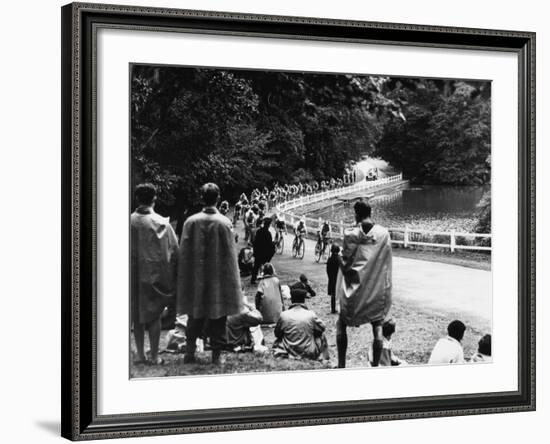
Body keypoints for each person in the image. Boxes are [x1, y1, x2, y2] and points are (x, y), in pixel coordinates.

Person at [176, 183, 242, 364]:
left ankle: (190, 352)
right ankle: (216, 356)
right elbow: (230, 256)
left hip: (196, 277)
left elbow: (185, 253)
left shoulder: (191, 222)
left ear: (201, 198)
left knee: (194, 315)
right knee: (218, 317)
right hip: (218, 279)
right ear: (218, 198)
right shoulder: (225, 223)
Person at [336, 200, 393, 368]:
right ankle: (375, 366)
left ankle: (341, 365)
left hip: (354, 293)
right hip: (376, 292)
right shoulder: (383, 234)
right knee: (377, 328)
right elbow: (385, 263)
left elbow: (346, 267)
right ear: (371, 212)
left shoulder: (351, 234)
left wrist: (337, 256)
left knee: (341, 322)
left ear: (357, 214)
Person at [131, 183, 179, 365]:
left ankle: (140, 355)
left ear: (137, 199)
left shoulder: (129, 221)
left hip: (133, 275)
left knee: (137, 316)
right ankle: (154, 356)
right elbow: (174, 250)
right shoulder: (162, 223)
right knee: (154, 316)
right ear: (154, 199)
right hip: (155, 275)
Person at [272, 287, 329, 361]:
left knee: (280, 338)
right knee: (321, 335)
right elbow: (322, 328)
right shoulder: (310, 314)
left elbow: (277, 334)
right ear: (303, 300)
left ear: (292, 300)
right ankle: (325, 358)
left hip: (288, 350)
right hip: (308, 352)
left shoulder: (283, 315)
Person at [251, 217, 275, 284]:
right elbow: (269, 244)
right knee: (265, 266)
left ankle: (253, 279)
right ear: (269, 225)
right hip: (265, 253)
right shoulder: (268, 233)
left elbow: (255, 242)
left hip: (258, 251)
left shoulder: (259, 231)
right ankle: (265, 279)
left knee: (256, 266)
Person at [326, 244, 341, 314]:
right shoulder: (339, 259)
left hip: (332, 278)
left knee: (333, 294)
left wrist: (329, 276)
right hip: (338, 278)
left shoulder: (329, 259)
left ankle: (333, 308)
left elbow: (327, 270)